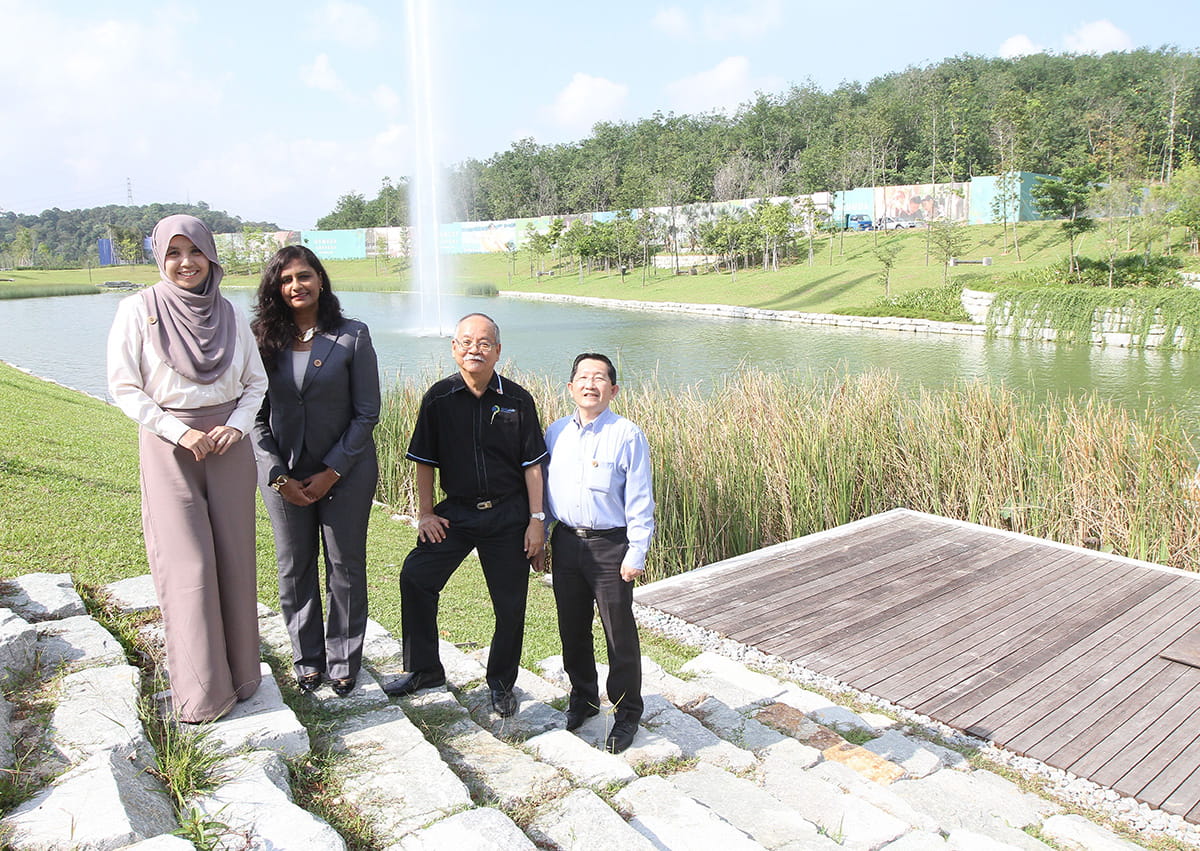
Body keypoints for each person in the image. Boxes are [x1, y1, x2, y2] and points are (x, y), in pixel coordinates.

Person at [106, 214, 267, 723]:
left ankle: (242, 677)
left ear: (210, 256)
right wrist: (180, 432)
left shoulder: (231, 314)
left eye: (194, 251)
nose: (185, 263)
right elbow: (124, 386)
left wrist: (235, 428)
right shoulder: (138, 310)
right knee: (189, 567)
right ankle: (202, 694)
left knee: (235, 560)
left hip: (228, 449)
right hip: (170, 448)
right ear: (160, 258)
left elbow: (255, 383)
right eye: (173, 253)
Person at [384, 313, 547, 717]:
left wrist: (537, 520)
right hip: (455, 513)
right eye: (466, 342)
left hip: (508, 514)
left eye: (484, 342)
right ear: (454, 348)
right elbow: (424, 461)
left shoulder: (518, 400)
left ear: (498, 351)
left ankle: (501, 683)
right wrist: (424, 514)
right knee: (416, 576)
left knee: (510, 604)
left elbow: (532, 466)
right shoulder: (438, 398)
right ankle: (424, 669)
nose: (475, 348)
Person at [251, 245, 380, 698]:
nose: (295, 287)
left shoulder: (352, 335)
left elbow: (367, 414)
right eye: (285, 280)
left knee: (344, 565)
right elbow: (253, 413)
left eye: (304, 276)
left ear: (320, 280)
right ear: (275, 288)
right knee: (293, 567)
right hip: (282, 474)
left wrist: (332, 471)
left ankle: (344, 659)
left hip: (346, 472)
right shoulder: (260, 339)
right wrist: (277, 473)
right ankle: (307, 660)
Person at [544, 353, 654, 754]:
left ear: (614, 389)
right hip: (567, 542)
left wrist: (636, 552)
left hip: (611, 546)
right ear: (570, 387)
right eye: (583, 377)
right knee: (572, 627)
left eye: (600, 378)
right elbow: (544, 494)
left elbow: (640, 499)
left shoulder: (627, 434)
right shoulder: (555, 433)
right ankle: (584, 698)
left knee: (618, 631)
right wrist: (540, 535)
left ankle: (626, 714)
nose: (591, 384)